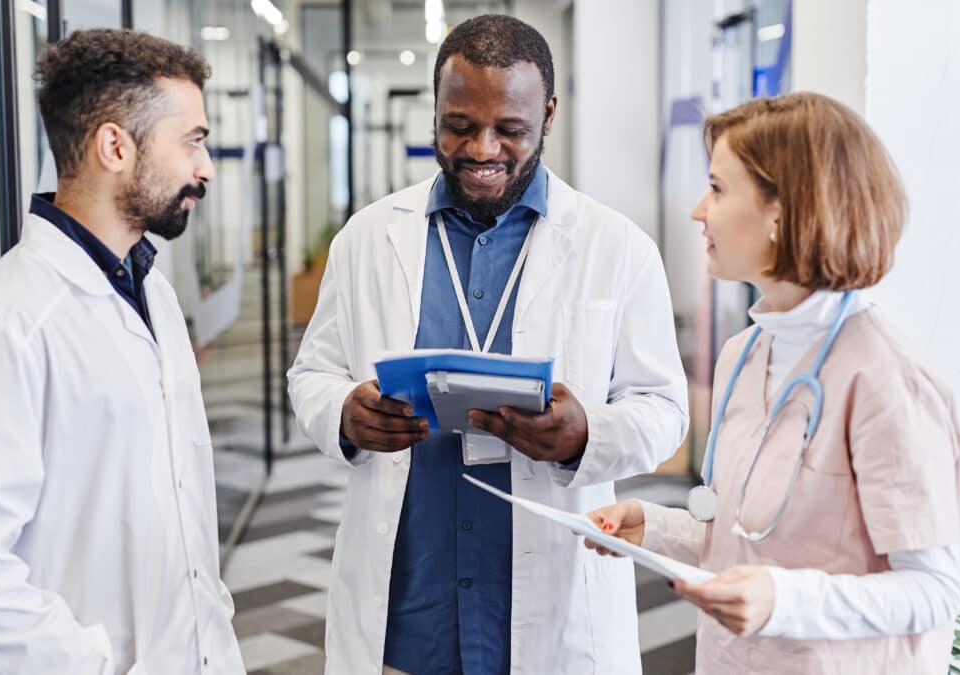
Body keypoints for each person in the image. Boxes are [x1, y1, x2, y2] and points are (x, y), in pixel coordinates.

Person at [288, 14, 689, 675]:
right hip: (412, 612)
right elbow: (314, 372)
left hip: (549, 612)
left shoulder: (617, 249)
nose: (482, 149)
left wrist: (586, 431)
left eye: (510, 129)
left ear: (549, 114)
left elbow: (663, 407)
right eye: (460, 125)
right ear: (436, 111)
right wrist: (343, 413)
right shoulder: (366, 238)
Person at [0, 29, 244, 675]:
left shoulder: (153, 292)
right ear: (115, 145)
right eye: (191, 141)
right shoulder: (4, 324)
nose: (205, 168)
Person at [587, 92, 960, 674]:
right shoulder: (745, 354)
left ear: (781, 212)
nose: (697, 210)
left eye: (717, 188)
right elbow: (751, 537)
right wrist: (655, 526)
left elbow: (931, 590)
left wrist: (784, 601)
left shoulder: (887, 380)